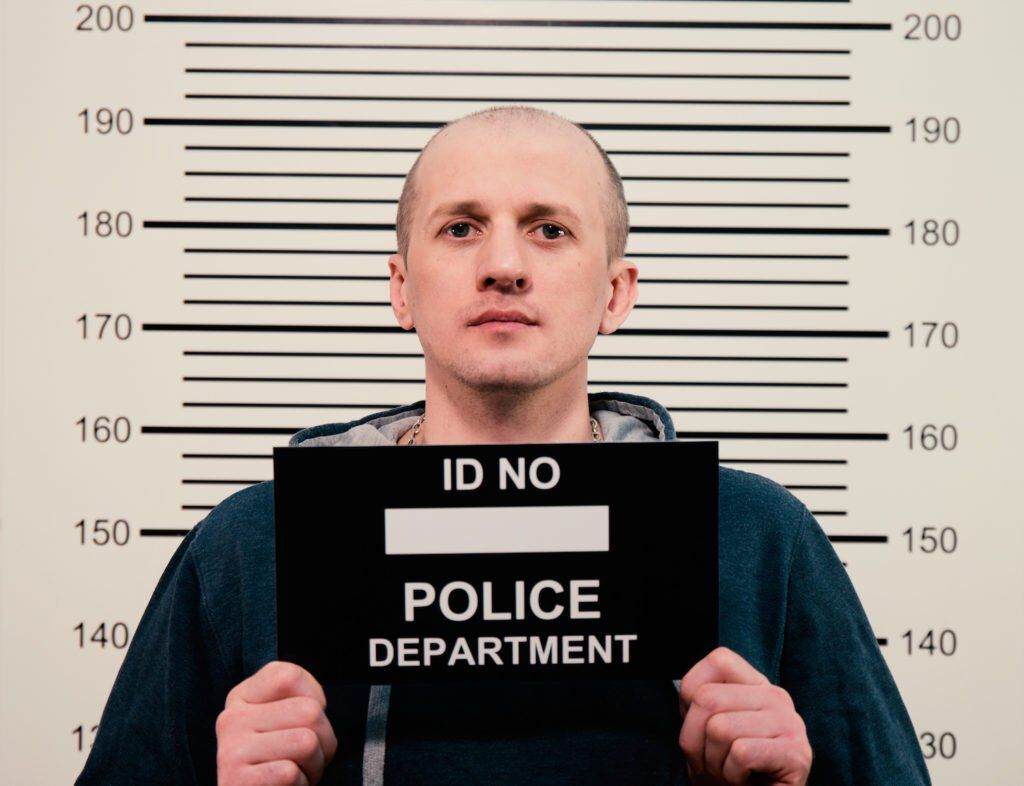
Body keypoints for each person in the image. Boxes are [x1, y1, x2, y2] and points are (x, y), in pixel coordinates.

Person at [75, 105, 931, 786]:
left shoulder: (759, 537)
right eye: (461, 228)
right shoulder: (247, 547)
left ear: (615, 293)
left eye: (550, 229)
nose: (505, 266)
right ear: (401, 289)